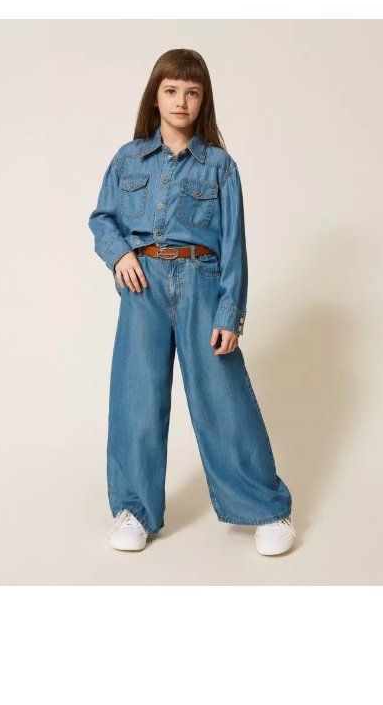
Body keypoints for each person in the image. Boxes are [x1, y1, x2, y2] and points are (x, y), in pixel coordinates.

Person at [88, 48, 295, 556]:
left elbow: (233, 245)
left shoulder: (220, 166)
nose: (181, 100)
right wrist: (120, 255)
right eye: (171, 90)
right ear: (155, 97)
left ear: (204, 101)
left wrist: (229, 313)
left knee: (223, 398)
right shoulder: (128, 159)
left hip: (203, 283)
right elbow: (103, 218)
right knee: (137, 397)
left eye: (193, 92)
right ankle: (135, 511)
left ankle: (265, 509)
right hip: (144, 287)